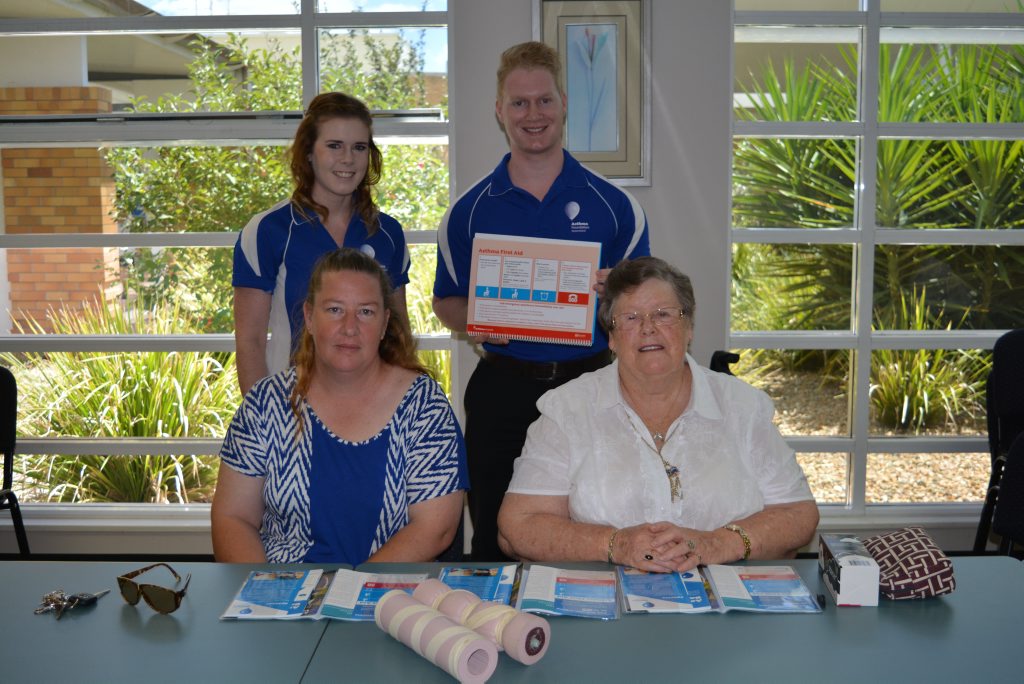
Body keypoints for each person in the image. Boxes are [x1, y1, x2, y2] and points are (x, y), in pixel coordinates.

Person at [432, 41, 651, 561]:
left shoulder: (616, 206)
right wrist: (480, 319)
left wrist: (615, 292)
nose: (534, 115)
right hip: (502, 389)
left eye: (544, 100)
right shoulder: (468, 212)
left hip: (593, 385)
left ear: (565, 103)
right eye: (520, 103)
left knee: (596, 524)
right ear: (499, 110)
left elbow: (644, 305)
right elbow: (446, 302)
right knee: (493, 534)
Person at [497, 256, 819, 571]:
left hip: (727, 610)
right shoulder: (566, 409)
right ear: (611, 337)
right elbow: (518, 527)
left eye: (664, 314)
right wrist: (617, 545)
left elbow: (798, 514)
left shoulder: (742, 407)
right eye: (631, 318)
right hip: (607, 610)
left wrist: (716, 544)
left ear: (688, 327)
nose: (648, 328)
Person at [212, 248, 468, 564]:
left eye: (366, 312)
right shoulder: (266, 403)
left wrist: (348, 592)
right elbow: (232, 517)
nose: (349, 327)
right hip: (283, 592)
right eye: (334, 310)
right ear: (308, 317)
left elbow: (436, 528)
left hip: (388, 597)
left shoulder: (425, 408)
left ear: (385, 322)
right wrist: (265, 591)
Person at [233, 91, 410, 395]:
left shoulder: (388, 233)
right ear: (309, 152)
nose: (348, 159)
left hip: (373, 409)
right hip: (294, 410)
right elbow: (250, 343)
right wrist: (262, 422)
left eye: (359, 147)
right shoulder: (268, 231)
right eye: (334, 146)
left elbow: (399, 335)